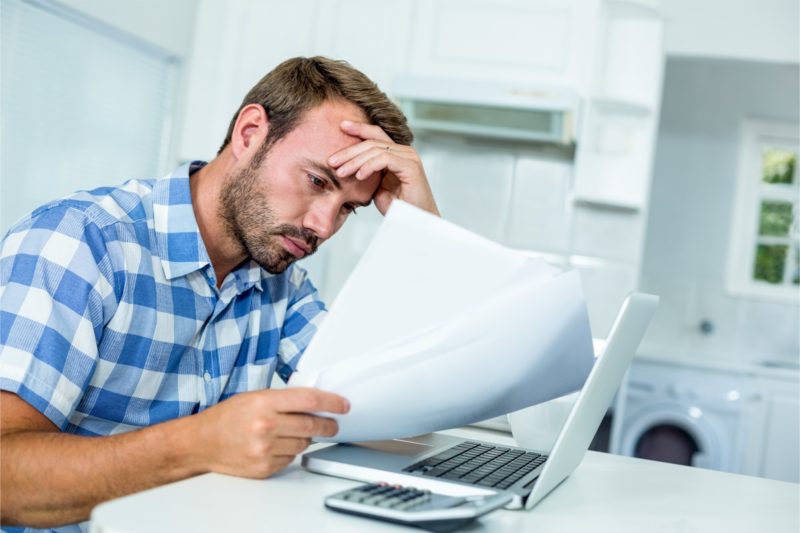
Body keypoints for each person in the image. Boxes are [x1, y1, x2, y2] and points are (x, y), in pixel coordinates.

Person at [0, 56, 440, 531]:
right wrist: (196, 444)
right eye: (316, 181)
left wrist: (422, 232)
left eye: (349, 209)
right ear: (250, 133)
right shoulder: (81, 242)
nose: (323, 226)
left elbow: (402, 410)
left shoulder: (279, 278)